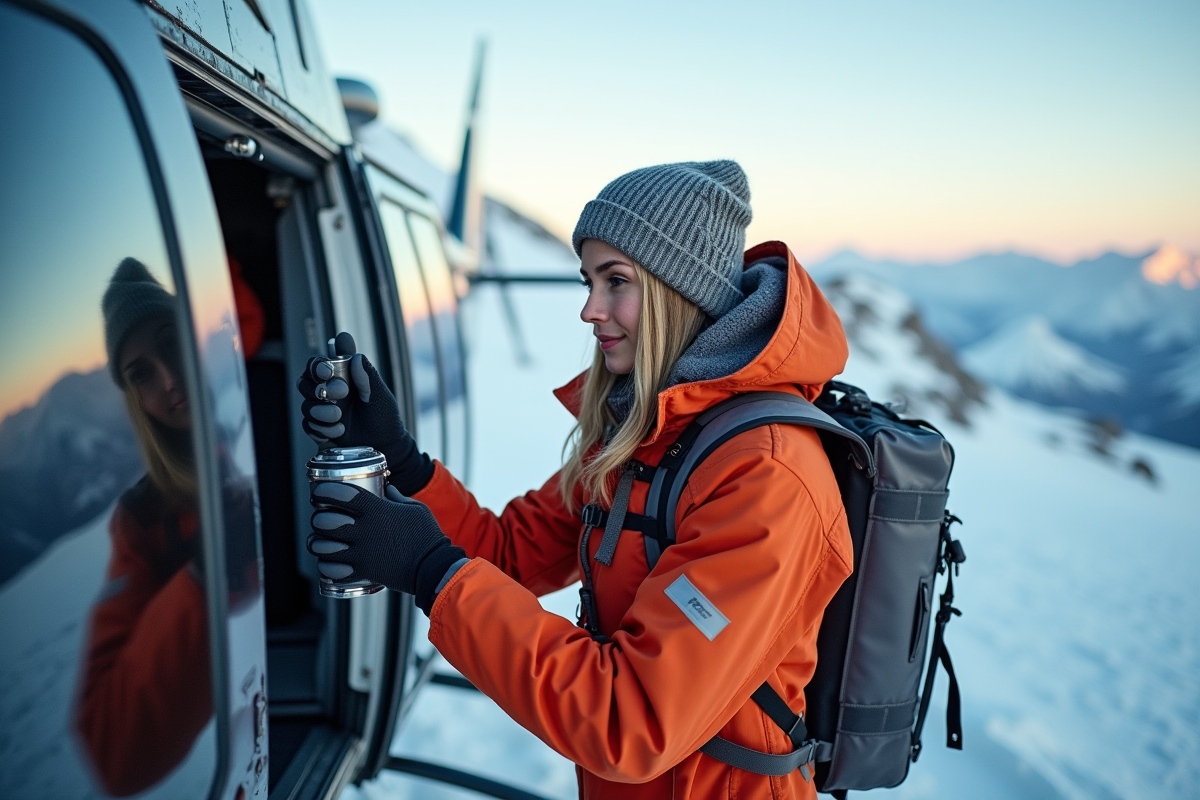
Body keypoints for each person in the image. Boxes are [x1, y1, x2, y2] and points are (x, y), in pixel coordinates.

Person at [299, 161, 854, 799]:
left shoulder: (766, 475)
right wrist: (401, 460)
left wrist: (430, 571)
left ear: (682, 292)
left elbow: (630, 719)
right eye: (589, 281)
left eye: (616, 281)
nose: (591, 310)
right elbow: (508, 554)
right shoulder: (648, 433)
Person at [75, 258, 212, 797]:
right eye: (141, 374)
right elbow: (113, 753)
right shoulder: (143, 521)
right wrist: (204, 581)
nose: (169, 380)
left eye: (172, 344)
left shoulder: (276, 423)